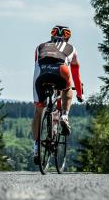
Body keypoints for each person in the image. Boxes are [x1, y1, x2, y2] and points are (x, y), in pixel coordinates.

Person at [31, 25, 83, 164]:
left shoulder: (40, 46)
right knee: (67, 88)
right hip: (61, 70)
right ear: (68, 37)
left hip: (41, 73)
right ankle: (64, 116)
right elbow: (76, 72)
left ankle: (36, 148)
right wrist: (79, 92)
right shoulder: (71, 48)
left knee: (38, 111)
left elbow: (36, 63)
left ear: (52, 35)